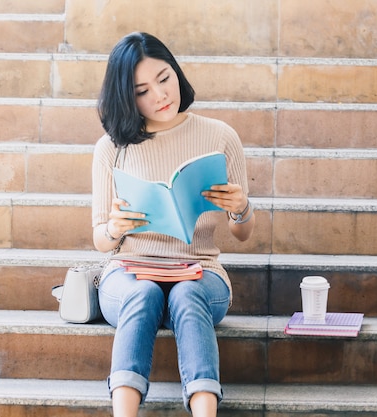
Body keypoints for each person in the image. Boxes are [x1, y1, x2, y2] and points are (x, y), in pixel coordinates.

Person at [91, 32, 255, 417]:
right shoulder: (112, 147)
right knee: (144, 293)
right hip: (128, 272)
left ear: (176, 72)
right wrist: (115, 228)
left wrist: (241, 207)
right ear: (126, 97)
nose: (160, 96)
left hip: (200, 271)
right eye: (142, 90)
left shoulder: (220, 136)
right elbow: (100, 239)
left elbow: (243, 233)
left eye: (164, 79)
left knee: (185, 294)